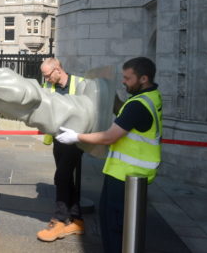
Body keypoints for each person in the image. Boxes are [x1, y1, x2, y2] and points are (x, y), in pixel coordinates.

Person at [56, 57, 162, 253]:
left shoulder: (137, 105)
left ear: (144, 78)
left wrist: (76, 136)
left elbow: (108, 137)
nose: (123, 81)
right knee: (119, 225)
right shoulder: (150, 97)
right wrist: (109, 97)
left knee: (113, 226)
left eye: (128, 78)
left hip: (125, 176)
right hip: (133, 174)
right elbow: (126, 115)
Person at [37, 58, 85, 242]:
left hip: (75, 140)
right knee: (66, 180)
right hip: (58, 138)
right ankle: (77, 219)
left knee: (61, 177)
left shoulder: (80, 84)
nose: (46, 79)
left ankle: (59, 221)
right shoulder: (48, 86)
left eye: (47, 75)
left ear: (58, 70)